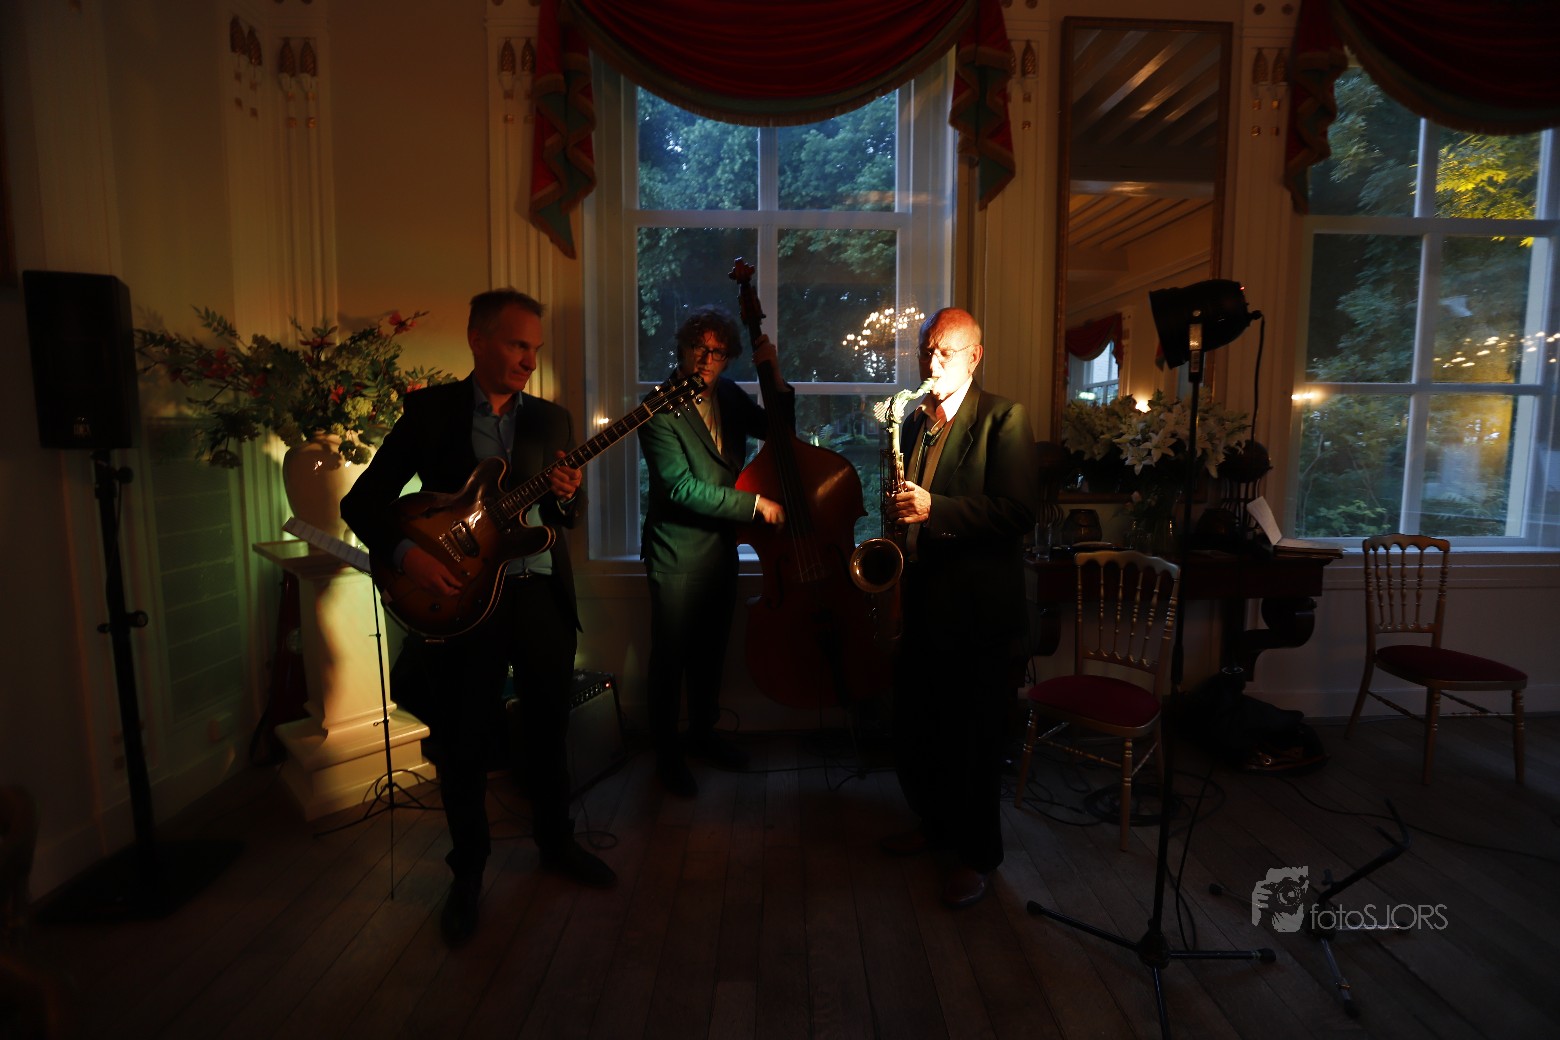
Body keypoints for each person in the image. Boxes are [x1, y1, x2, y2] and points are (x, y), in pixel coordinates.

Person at [341, 289, 615, 948]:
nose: (529, 360)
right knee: (463, 740)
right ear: (478, 339)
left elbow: (562, 521)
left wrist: (567, 497)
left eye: (534, 349)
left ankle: (556, 843)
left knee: (548, 728)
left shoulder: (552, 419)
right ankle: (467, 873)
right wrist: (407, 556)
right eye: (518, 345)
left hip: (540, 593)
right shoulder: (430, 411)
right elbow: (363, 502)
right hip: (464, 603)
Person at [878, 307, 1039, 909]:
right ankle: (934, 824)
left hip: (978, 614)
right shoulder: (914, 421)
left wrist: (934, 508)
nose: (932, 360)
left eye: (946, 351)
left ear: (975, 356)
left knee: (974, 741)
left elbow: (1018, 512)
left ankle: (978, 857)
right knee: (921, 727)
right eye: (927, 349)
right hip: (924, 601)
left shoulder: (1004, 417)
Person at [638, 306, 790, 797]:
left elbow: (778, 430)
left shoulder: (728, 393)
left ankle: (703, 736)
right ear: (682, 349)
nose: (706, 359)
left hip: (721, 548)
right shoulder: (656, 407)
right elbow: (679, 488)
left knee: (709, 655)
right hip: (676, 552)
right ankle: (667, 756)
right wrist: (755, 505)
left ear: (728, 357)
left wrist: (775, 375)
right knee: (671, 659)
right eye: (698, 348)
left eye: (717, 351)